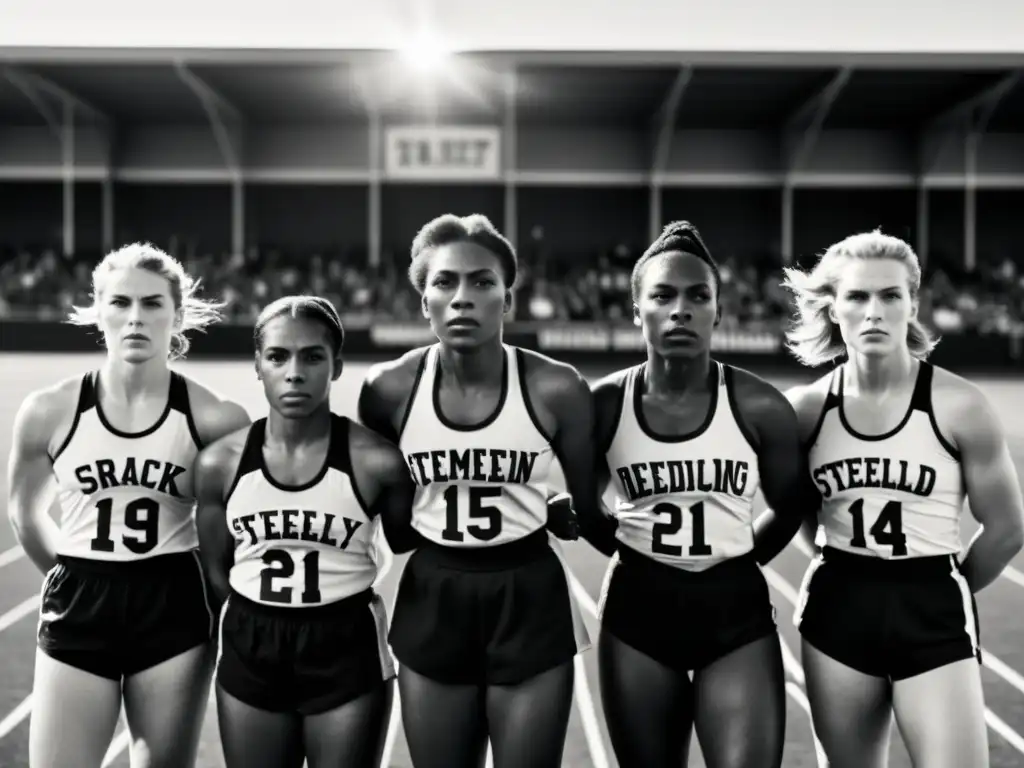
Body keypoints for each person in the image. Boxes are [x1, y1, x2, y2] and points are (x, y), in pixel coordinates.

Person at [357, 213, 614, 768]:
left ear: (509, 299)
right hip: (434, 595)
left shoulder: (557, 387)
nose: (462, 298)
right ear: (422, 300)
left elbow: (590, 510)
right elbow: (396, 533)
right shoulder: (388, 390)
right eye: (444, 283)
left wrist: (561, 512)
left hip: (530, 595)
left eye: (482, 282)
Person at [783, 230, 1024, 768]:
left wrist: (945, 583)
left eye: (890, 296)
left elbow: (1008, 526)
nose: (874, 311)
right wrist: (838, 560)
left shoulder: (960, 405)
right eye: (858, 296)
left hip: (931, 607)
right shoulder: (805, 410)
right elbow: (799, 512)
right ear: (833, 306)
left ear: (913, 304)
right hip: (837, 610)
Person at [6, 242, 251, 768]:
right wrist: (66, 572)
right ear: (99, 310)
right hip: (80, 602)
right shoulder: (49, 411)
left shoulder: (216, 420)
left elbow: (241, 525)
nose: (135, 317)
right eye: (120, 303)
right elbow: (23, 511)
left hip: (172, 604)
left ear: (177, 314)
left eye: (152, 303)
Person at [592, 221, 816, 768]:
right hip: (636, 616)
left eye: (699, 296)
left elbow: (791, 504)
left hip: (733, 617)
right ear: (636, 308)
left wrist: (738, 561)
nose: (681, 309)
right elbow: (584, 506)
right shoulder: (602, 405)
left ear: (718, 310)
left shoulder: (760, 406)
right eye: (663, 295)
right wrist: (629, 552)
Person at [194, 295, 417, 768]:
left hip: (346, 645)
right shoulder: (219, 464)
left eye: (312, 356)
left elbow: (413, 541)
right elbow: (216, 572)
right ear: (257, 364)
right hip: (252, 642)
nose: (294, 372)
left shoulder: (377, 462)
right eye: (277, 356)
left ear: (336, 366)